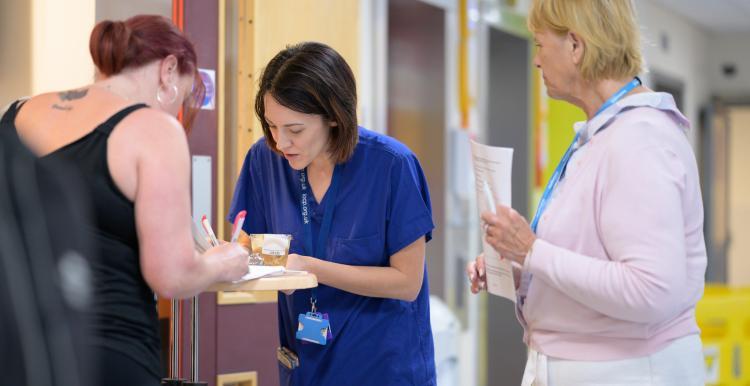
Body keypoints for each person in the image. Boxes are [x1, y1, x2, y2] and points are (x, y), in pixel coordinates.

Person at [466, 1, 707, 385]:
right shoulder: (605, 135)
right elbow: (592, 263)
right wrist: (518, 266)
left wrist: (532, 251)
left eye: (540, 45)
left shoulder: (639, 141)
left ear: (575, 46)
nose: (536, 62)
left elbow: (650, 289)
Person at [3, 15, 249, 386]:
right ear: (168, 69)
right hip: (111, 354)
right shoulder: (153, 129)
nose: (175, 114)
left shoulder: (18, 112)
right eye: (181, 99)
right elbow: (172, 276)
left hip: (26, 349)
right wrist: (220, 262)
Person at [228, 42, 436, 386]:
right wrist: (233, 256)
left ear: (334, 118)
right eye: (272, 126)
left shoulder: (391, 166)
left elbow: (407, 283)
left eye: (295, 130)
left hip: (382, 367)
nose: (281, 142)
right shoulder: (265, 161)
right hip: (306, 363)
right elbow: (258, 247)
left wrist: (310, 268)